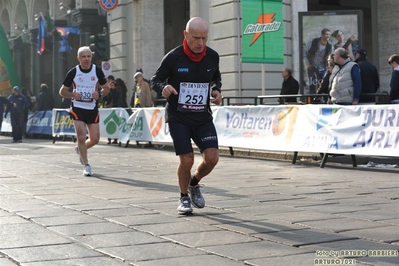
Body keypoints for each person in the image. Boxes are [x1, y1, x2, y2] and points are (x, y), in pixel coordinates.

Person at [151, 17, 222, 215]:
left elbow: (216, 78)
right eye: (196, 38)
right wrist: (163, 87)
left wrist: (216, 90)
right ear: (185, 35)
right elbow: (155, 79)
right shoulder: (174, 57)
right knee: (187, 160)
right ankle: (183, 198)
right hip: (178, 117)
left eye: (204, 38)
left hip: (202, 117)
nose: (200, 43)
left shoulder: (213, 56)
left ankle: (194, 183)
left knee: (212, 158)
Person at [59, 46, 109, 176]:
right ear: (78, 58)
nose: (86, 59)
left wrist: (100, 94)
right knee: (81, 136)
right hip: (77, 108)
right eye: (84, 57)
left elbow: (106, 88)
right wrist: (72, 95)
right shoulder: (73, 72)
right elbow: (62, 91)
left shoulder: (96, 71)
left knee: (95, 139)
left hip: (92, 108)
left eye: (88, 56)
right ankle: (86, 165)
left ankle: (80, 149)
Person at [303, 28, 333, 94]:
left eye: (329, 34)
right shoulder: (313, 42)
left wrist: (328, 66)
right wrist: (307, 63)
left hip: (322, 67)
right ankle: (313, 98)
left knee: (323, 83)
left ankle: (322, 98)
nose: (328, 36)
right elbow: (304, 51)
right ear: (322, 35)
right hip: (312, 65)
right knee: (312, 84)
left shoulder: (330, 45)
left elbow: (331, 57)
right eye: (326, 34)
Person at [103, 77, 119, 144]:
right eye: (110, 85)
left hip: (115, 109)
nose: (111, 86)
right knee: (108, 124)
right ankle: (109, 139)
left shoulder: (117, 92)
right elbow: (105, 99)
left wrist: (112, 91)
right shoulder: (108, 92)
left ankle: (115, 139)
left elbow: (116, 98)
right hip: (108, 108)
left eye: (112, 85)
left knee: (115, 123)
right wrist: (108, 90)